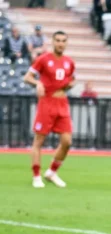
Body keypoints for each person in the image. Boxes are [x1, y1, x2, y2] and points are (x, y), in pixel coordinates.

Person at [22, 31, 75, 189]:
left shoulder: (69, 62)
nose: (60, 43)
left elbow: (71, 79)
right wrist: (37, 84)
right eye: (57, 40)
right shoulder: (44, 59)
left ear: (66, 43)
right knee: (39, 141)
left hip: (62, 103)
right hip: (47, 102)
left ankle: (51, 172)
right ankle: (36, 175)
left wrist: (69, 85)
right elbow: (27, 77)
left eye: (63, 40)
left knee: (67, 142)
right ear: (52, 42)